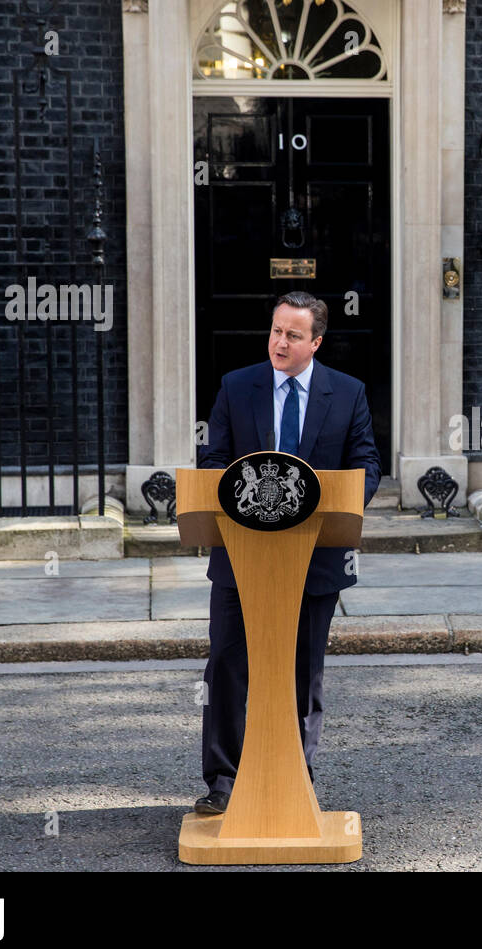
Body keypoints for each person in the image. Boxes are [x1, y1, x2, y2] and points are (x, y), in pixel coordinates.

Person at [194, 290, 381, 814]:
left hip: (314, 557)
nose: (280, 342)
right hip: (241, 555)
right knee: (229, 666)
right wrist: (231, 494)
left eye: (293, 335)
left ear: (316, 342)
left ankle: (295, 776)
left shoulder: (347, 393)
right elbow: (214, 459)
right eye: (276, 330)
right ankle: (224, 783)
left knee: (304, 669)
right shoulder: (237, 386)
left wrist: (345, 505)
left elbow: (366, 464)